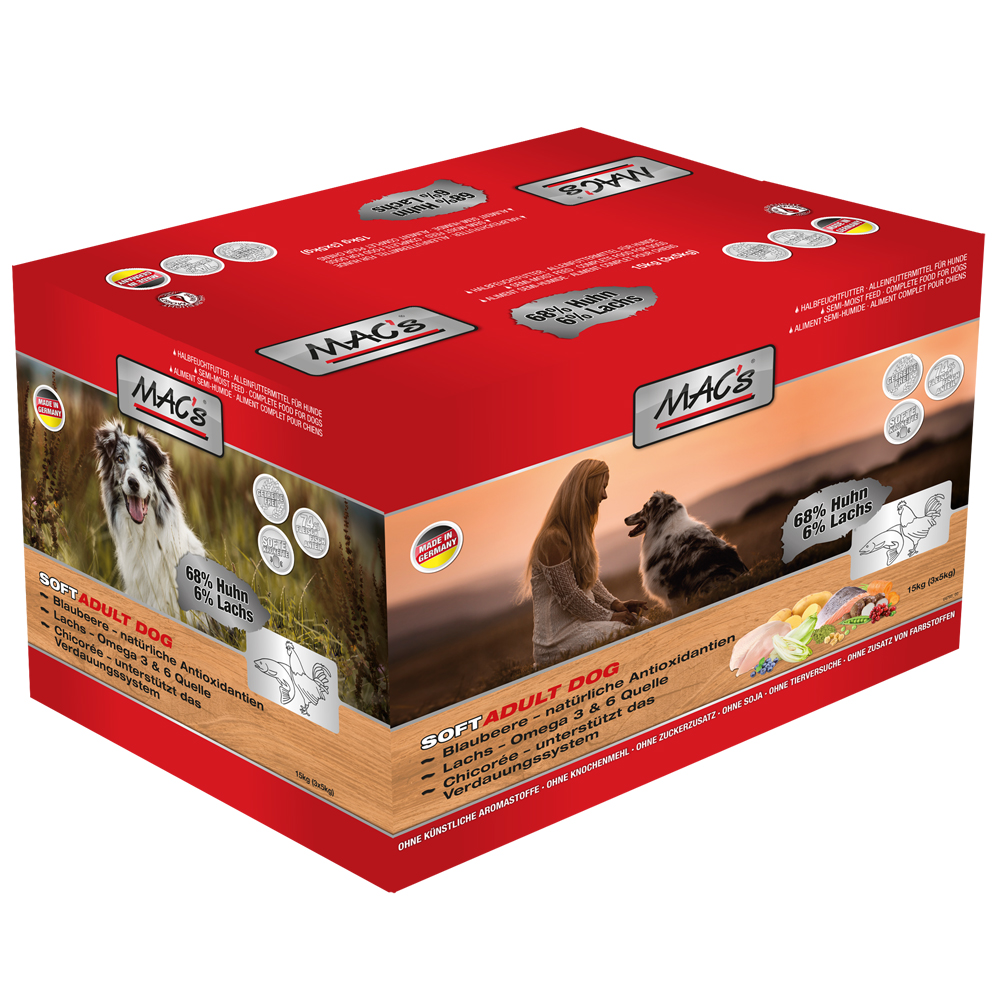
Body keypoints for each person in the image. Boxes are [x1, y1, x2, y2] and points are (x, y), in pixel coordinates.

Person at [520, 459, 647, 668]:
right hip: (557, 641)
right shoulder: (553, 538)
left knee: (642, 624)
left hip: (581, 625)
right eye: (602, 487)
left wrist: (616, 604)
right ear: (587, 487)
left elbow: (588, 581)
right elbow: (570, 597)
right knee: (636, 631)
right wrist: (610, 617)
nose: (605, 495)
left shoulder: (575, 534)